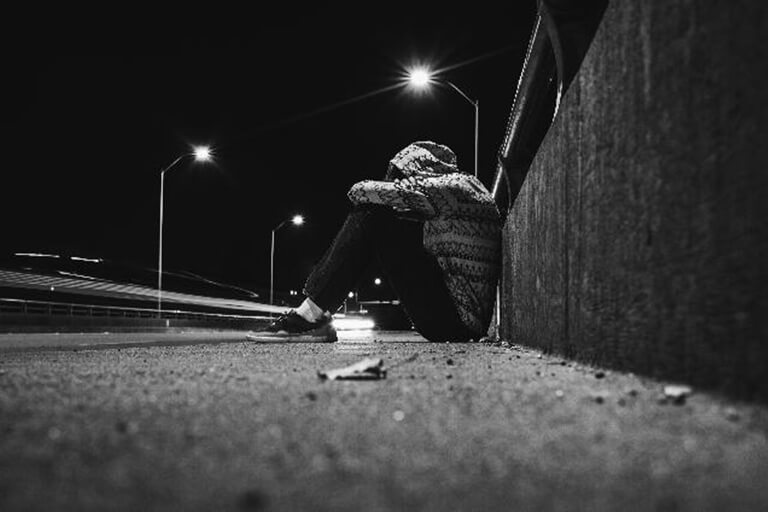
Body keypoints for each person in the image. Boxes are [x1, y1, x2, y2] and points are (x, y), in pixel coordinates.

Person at [250, 141, 501, 343]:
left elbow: (359, 191)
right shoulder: (468, 187)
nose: (394, 180)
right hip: (464, 319)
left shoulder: (448, 187)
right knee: (388, 223)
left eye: (399, 175)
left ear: (419, 167)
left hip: (454, 323)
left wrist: (391, 191)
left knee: (373, 214)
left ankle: (311, 315)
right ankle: (317, 311)